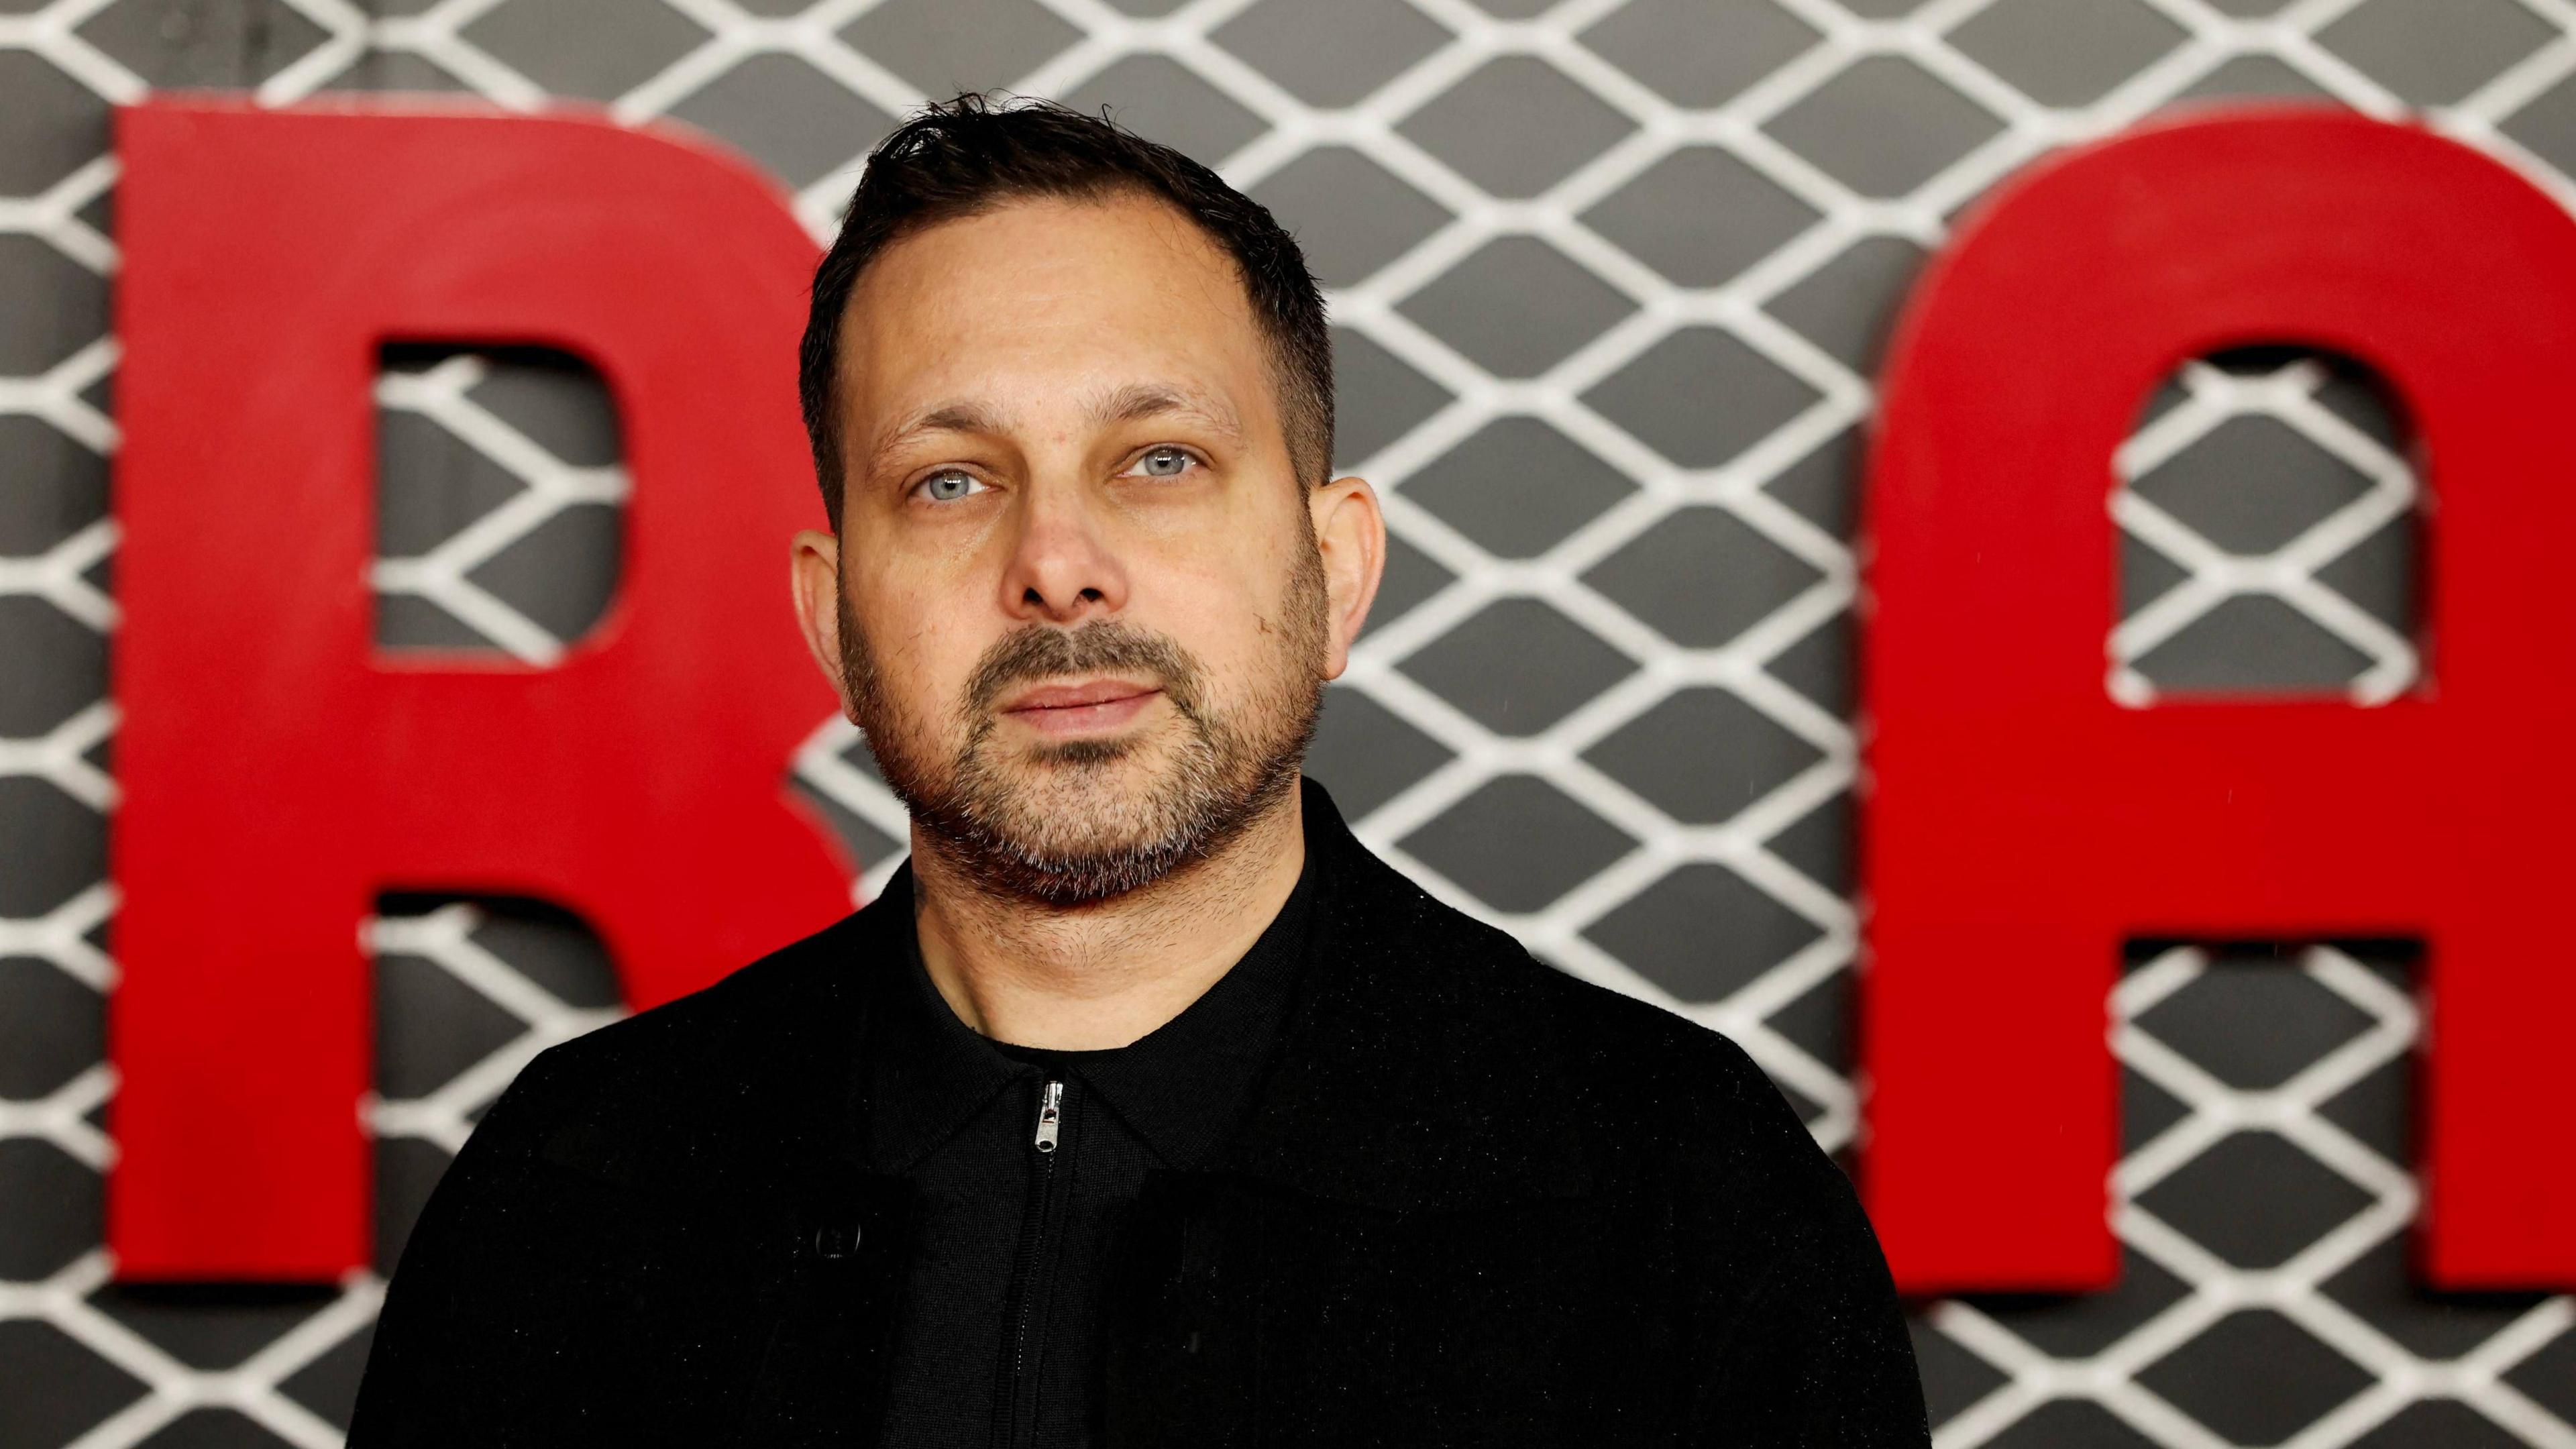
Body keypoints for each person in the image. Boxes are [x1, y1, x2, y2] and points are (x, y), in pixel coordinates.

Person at [348, 93, 1929, 1448]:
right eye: (951, 479)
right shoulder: (583, 1190)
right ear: (832, 617)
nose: (1058, 565)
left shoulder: (1671, 1201)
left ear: (1334, 571)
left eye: (1158, 462)